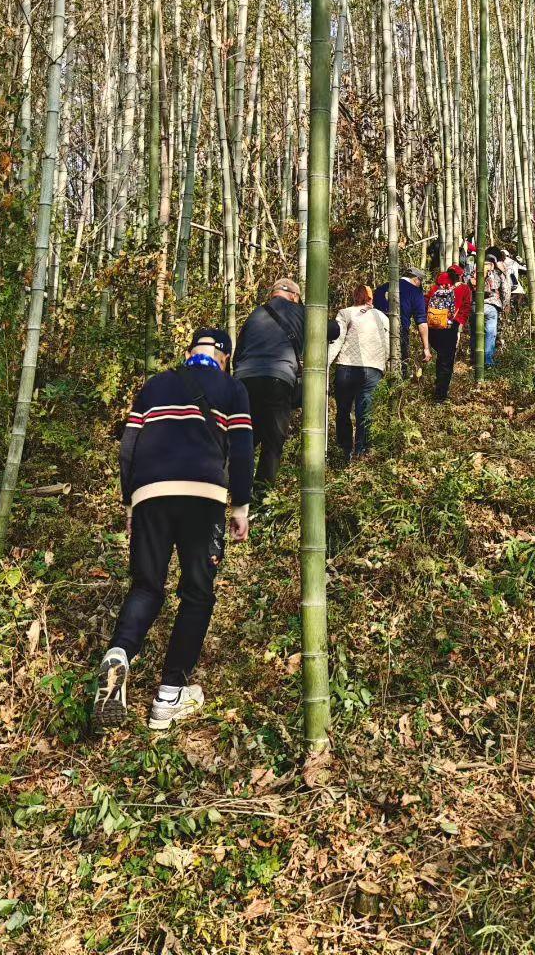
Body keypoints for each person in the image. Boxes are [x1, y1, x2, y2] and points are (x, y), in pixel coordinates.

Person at [92, 328, 253, 731]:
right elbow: (244, 450)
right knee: (197, 594)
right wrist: (242, 505)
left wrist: (130, 501)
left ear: (188, 352)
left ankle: (119, 653)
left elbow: (128, 447)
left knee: (146, 586)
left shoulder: (153, 387)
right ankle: (168, 697)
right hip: (204, 496)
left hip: (150, 494)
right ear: (225, 357)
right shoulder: (232, 390)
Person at [235, 277, 340, 496]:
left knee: (246, 437)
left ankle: (229, 488)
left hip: (244, 380)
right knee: (273, 441)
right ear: (294, 296)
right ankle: (260, 497)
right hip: (277, 379)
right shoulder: (298, 311)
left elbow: (238, 351)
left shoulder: (255, 314)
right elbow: (333, 329)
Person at [328, 284, 389, 460]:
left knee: (343, 410)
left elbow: (337, 341)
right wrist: (384, 365)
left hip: (346, 367)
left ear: (355, 296)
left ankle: (344, 449)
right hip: (373, 369)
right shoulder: (382, 317)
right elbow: (387, 344)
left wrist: (325, 364)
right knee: (365, 411)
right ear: (371, 299)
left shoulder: (345, 313)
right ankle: (362, 450)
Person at [426, 268, 472, 401]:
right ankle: (440, 395)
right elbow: (466, 307)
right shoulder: (463, 289)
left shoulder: (436, 287)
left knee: (440, 357)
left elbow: (426, 302)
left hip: (433, 326)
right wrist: (458, 324)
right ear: (460, 276)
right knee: (446, 361)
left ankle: (437, 384)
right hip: (450, 326)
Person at [374, 268, 432, 368]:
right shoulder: (415, 292)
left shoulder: (383, 288)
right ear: (416, 279)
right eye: (421, 281)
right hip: (399, 332)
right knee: (401, 365)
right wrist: (426, 347)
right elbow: (421, 321)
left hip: (376, 330)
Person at [483, 251, 512, 369]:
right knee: (490, 333)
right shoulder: (498, 273)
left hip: (476, 305)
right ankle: (488, 361)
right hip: (492, 306)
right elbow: (506, 290)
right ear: (494, 263)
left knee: (475, 333)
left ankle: (475, 359)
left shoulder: (476, 271)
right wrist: (505, 304)